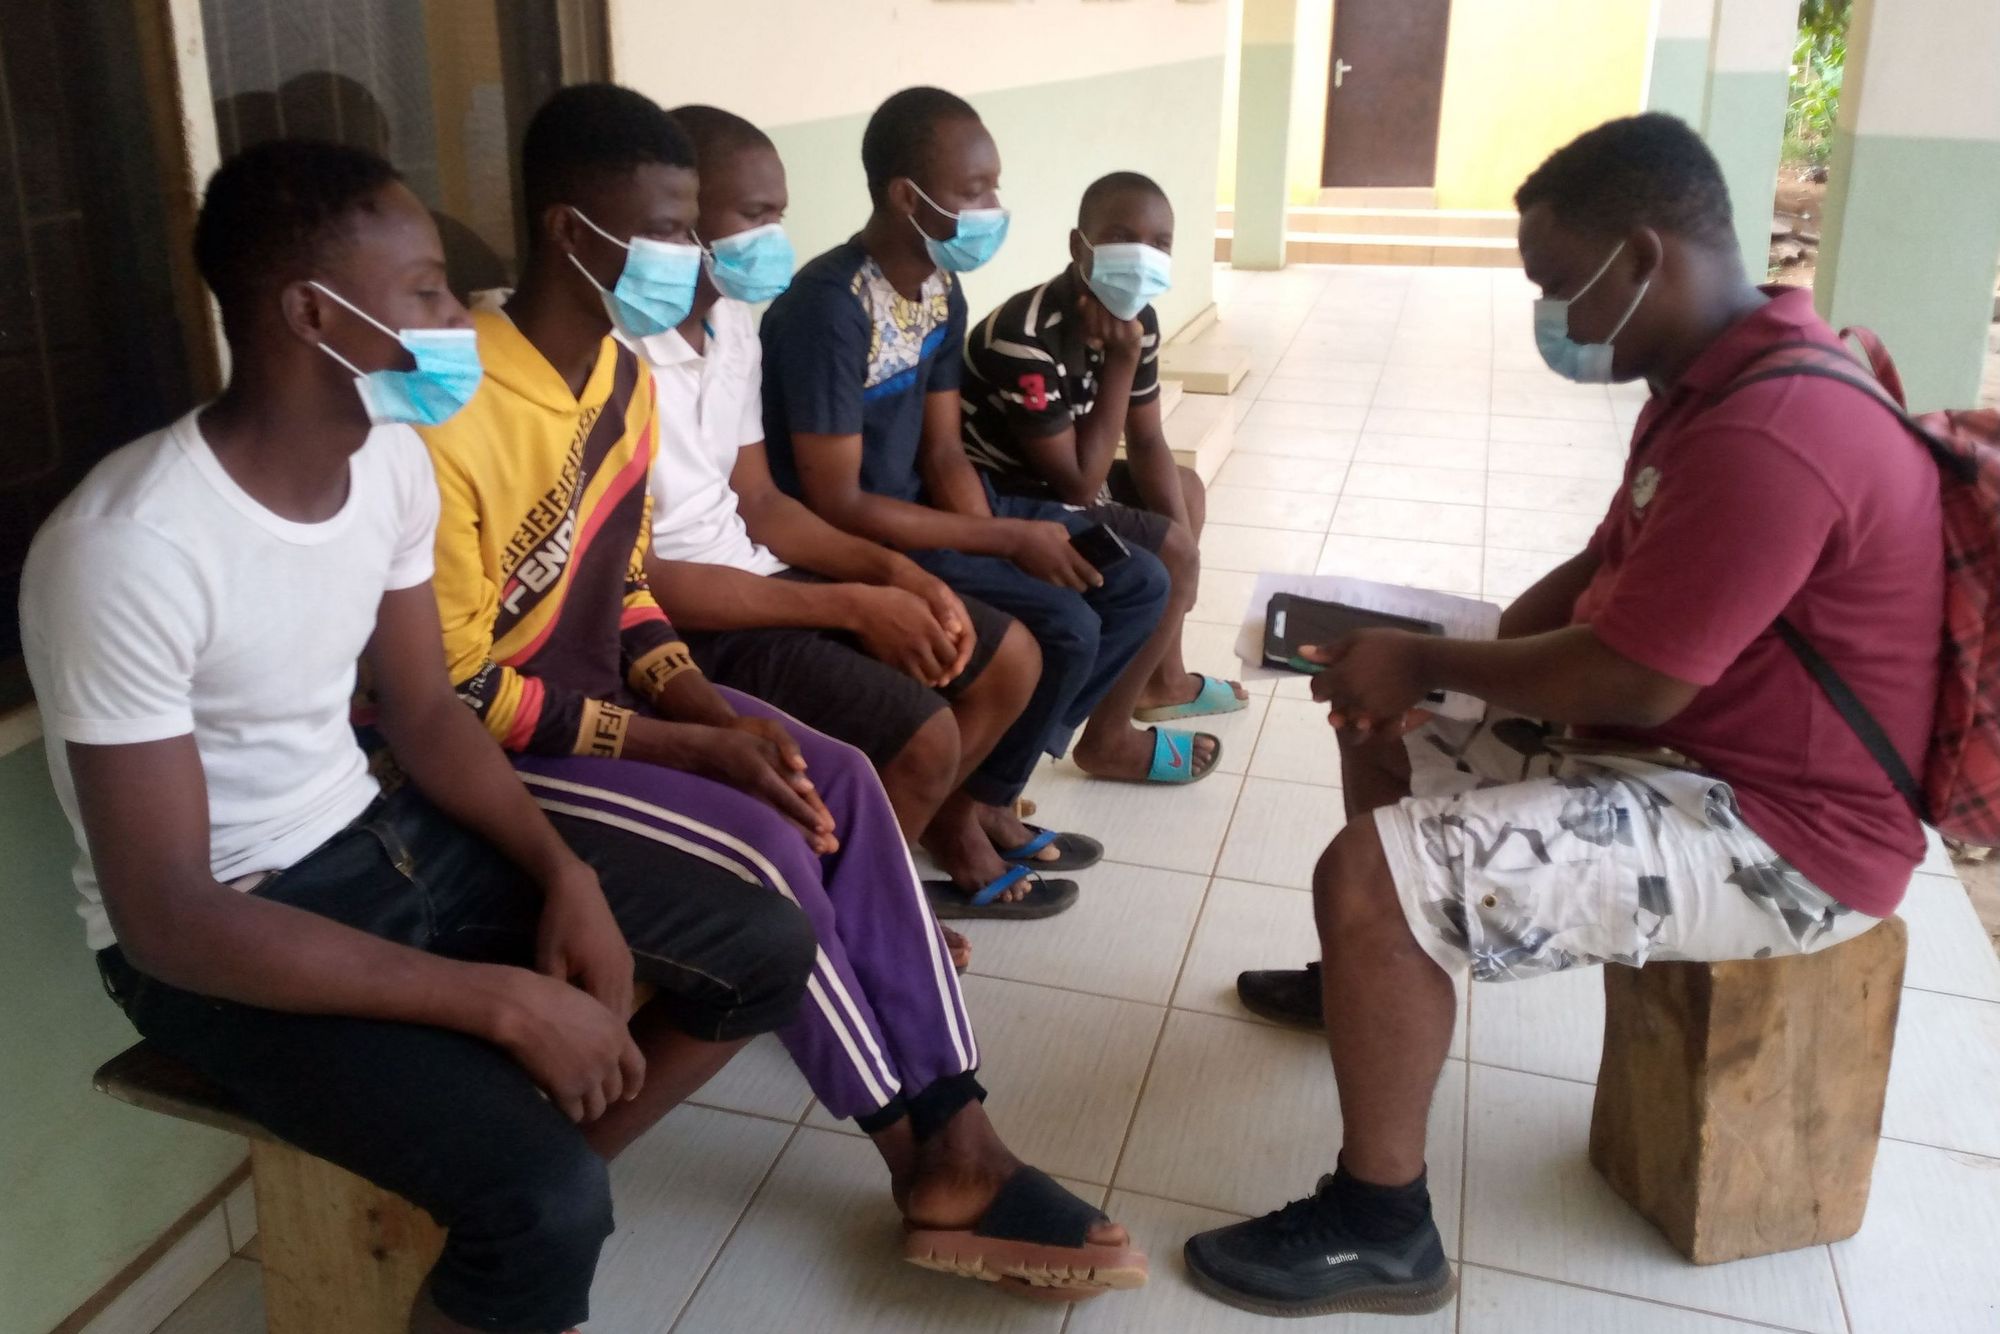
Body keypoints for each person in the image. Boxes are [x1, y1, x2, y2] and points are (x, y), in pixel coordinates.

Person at [20, 139, 817, 1334]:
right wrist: (495, 1001)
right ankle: (531, 1200)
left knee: (760, 940)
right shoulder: (130, 545)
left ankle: (524, 1192)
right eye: (430, 290)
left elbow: (428, 713)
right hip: (231, 928)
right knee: (541, 1203)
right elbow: (168, 915)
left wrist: (566, 875)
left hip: (378, 832)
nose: (461, 316)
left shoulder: (387, 460)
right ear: (310, 313)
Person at [1189, 113, 1941, 1316]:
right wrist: (1432, 665)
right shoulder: (1712, 382)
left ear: (1641, 257)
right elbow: (1597, 571)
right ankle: (1369, 979)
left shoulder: (1773, 429)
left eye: (1556, 284)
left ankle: (1382, 1222)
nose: (1551, 316)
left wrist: (1426, 652)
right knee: (1396, 724)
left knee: (1370, 875)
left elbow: (1637, 678)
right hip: (1696, 753)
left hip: (1783, 832)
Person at [421, 83, 1145, 1298]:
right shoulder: (457, 411)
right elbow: (455, 687)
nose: (701, 261)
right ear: (570, 230)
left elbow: (628, 595)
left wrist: (710, 714)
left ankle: (958, 1114)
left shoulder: (618, 381)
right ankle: (926, 1157)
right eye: (674, 230)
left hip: (612, 699)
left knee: (838, 773)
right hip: (508, 745)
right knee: (771, 843)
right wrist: (682, 733)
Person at [635, 103, 1079, 922]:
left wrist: (895, 573)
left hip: (759, 571)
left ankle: (889, 868)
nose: (775, 237)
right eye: (756, 215)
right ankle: (864, 923)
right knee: (926, 733)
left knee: (1008, 656)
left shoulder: (734, 325)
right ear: (676, 221)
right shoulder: (620, 361)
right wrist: (847, 600)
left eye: (780, 215)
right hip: (687, 621)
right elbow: (645, 577)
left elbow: (760, 500)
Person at [761, 86, 1216, 817]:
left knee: (1137, 586)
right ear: (909, 198)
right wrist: (1002, 538)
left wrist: (994, 550)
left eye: (993, 185)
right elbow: (836, 502)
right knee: (1065, 624)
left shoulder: (942, 289)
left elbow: (944, 454)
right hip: (857, 535)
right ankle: (974, 812)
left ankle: (988, 789)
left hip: (939, 511)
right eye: (975, 190)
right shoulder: (829, 309)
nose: (992, 207)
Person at [960, 170, 1245, 726]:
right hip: (1005, 494)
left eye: (1160, 243)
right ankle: (1108, 732)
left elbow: (1146, 438)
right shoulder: (1023, 335)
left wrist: (1182, 539)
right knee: (1172, 553)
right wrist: (1121, 362)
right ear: (1079, 245)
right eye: (1122, 237)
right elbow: (1077, 486)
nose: (1142, 255)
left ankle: (1162, 679)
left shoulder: (1140, 320)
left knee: (1185, 490)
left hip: (1059, 475)